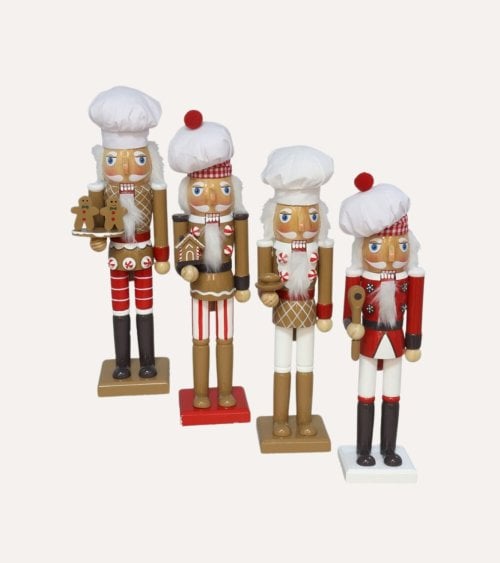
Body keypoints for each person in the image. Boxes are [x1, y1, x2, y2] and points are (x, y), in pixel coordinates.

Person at [81, 86, 169, 381]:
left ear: (150, 158)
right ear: (103, 160)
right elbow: (96, 222)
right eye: (114, 160)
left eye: (138, 159)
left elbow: (161, 223)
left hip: (144, 253)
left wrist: (162, 255)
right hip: (117, 255)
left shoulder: (154, 190)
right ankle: (121, 363)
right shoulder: (102, 190)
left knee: (145, 308)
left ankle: (147, 361)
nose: (127, 168)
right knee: (119, 310)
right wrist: (97, 238)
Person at [340, 172, 424, 466]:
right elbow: (348, 310)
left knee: (392, 395)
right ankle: (363, 450)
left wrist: (414, 342)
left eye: (400, 246)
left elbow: (416, 310)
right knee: (365, 395)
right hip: (368, 339)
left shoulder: (410, 278)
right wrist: (351, 325)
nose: (390, 256)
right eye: (377, 247)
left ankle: (389, 449)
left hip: (397, 341)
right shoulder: (359, 277)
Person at [168, 110, 249, 412]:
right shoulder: (186, 223)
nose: (212, 199)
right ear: (187, 192)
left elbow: (243, 254)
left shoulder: (236, 221)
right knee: (200, 339)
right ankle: (200, 392)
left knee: (226, 338)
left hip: (227, 283)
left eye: (223, 189)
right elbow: (180, 254)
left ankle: (225, 390)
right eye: (200, 191)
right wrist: (184, 269)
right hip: (199, 286)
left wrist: (243, 284)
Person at [256, 146, 334, 444]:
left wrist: (324, 313)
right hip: (283, 308)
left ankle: (304, 420)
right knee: (281, 364)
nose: (302, 226)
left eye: (311, 216)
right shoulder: (271, 246)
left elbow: (326, 282)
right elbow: (263, 278)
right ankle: (279, 419)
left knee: (306, 365)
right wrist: (266, 295)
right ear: (274, 217)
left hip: (308, 310)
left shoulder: (321, 247)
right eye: (289, 216)